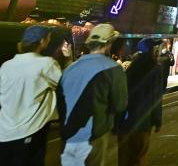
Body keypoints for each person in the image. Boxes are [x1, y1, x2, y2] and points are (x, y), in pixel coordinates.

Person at [59, 24, 127, 166]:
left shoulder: (70, 68)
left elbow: (60, 101)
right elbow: (120, 104)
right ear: (109, 43)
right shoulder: (114, 69)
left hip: (68, 136)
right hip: (94, 136)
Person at [0, 26, 61, 166]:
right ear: (42, 41)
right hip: (31, 130)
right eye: (48, 38)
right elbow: (63, 85)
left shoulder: (7, 66)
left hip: (4, 131)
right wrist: (68, 59)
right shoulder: (47, 64)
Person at [118, 38, 164, 165]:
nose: (157, 51)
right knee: (139, 157)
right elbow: (156, 96)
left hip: (125, 121)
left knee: (124, 158)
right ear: (150, 50)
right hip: (142, 121)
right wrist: (158, 120)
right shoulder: (155, 68)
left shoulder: (130, 67)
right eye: (155, 48)